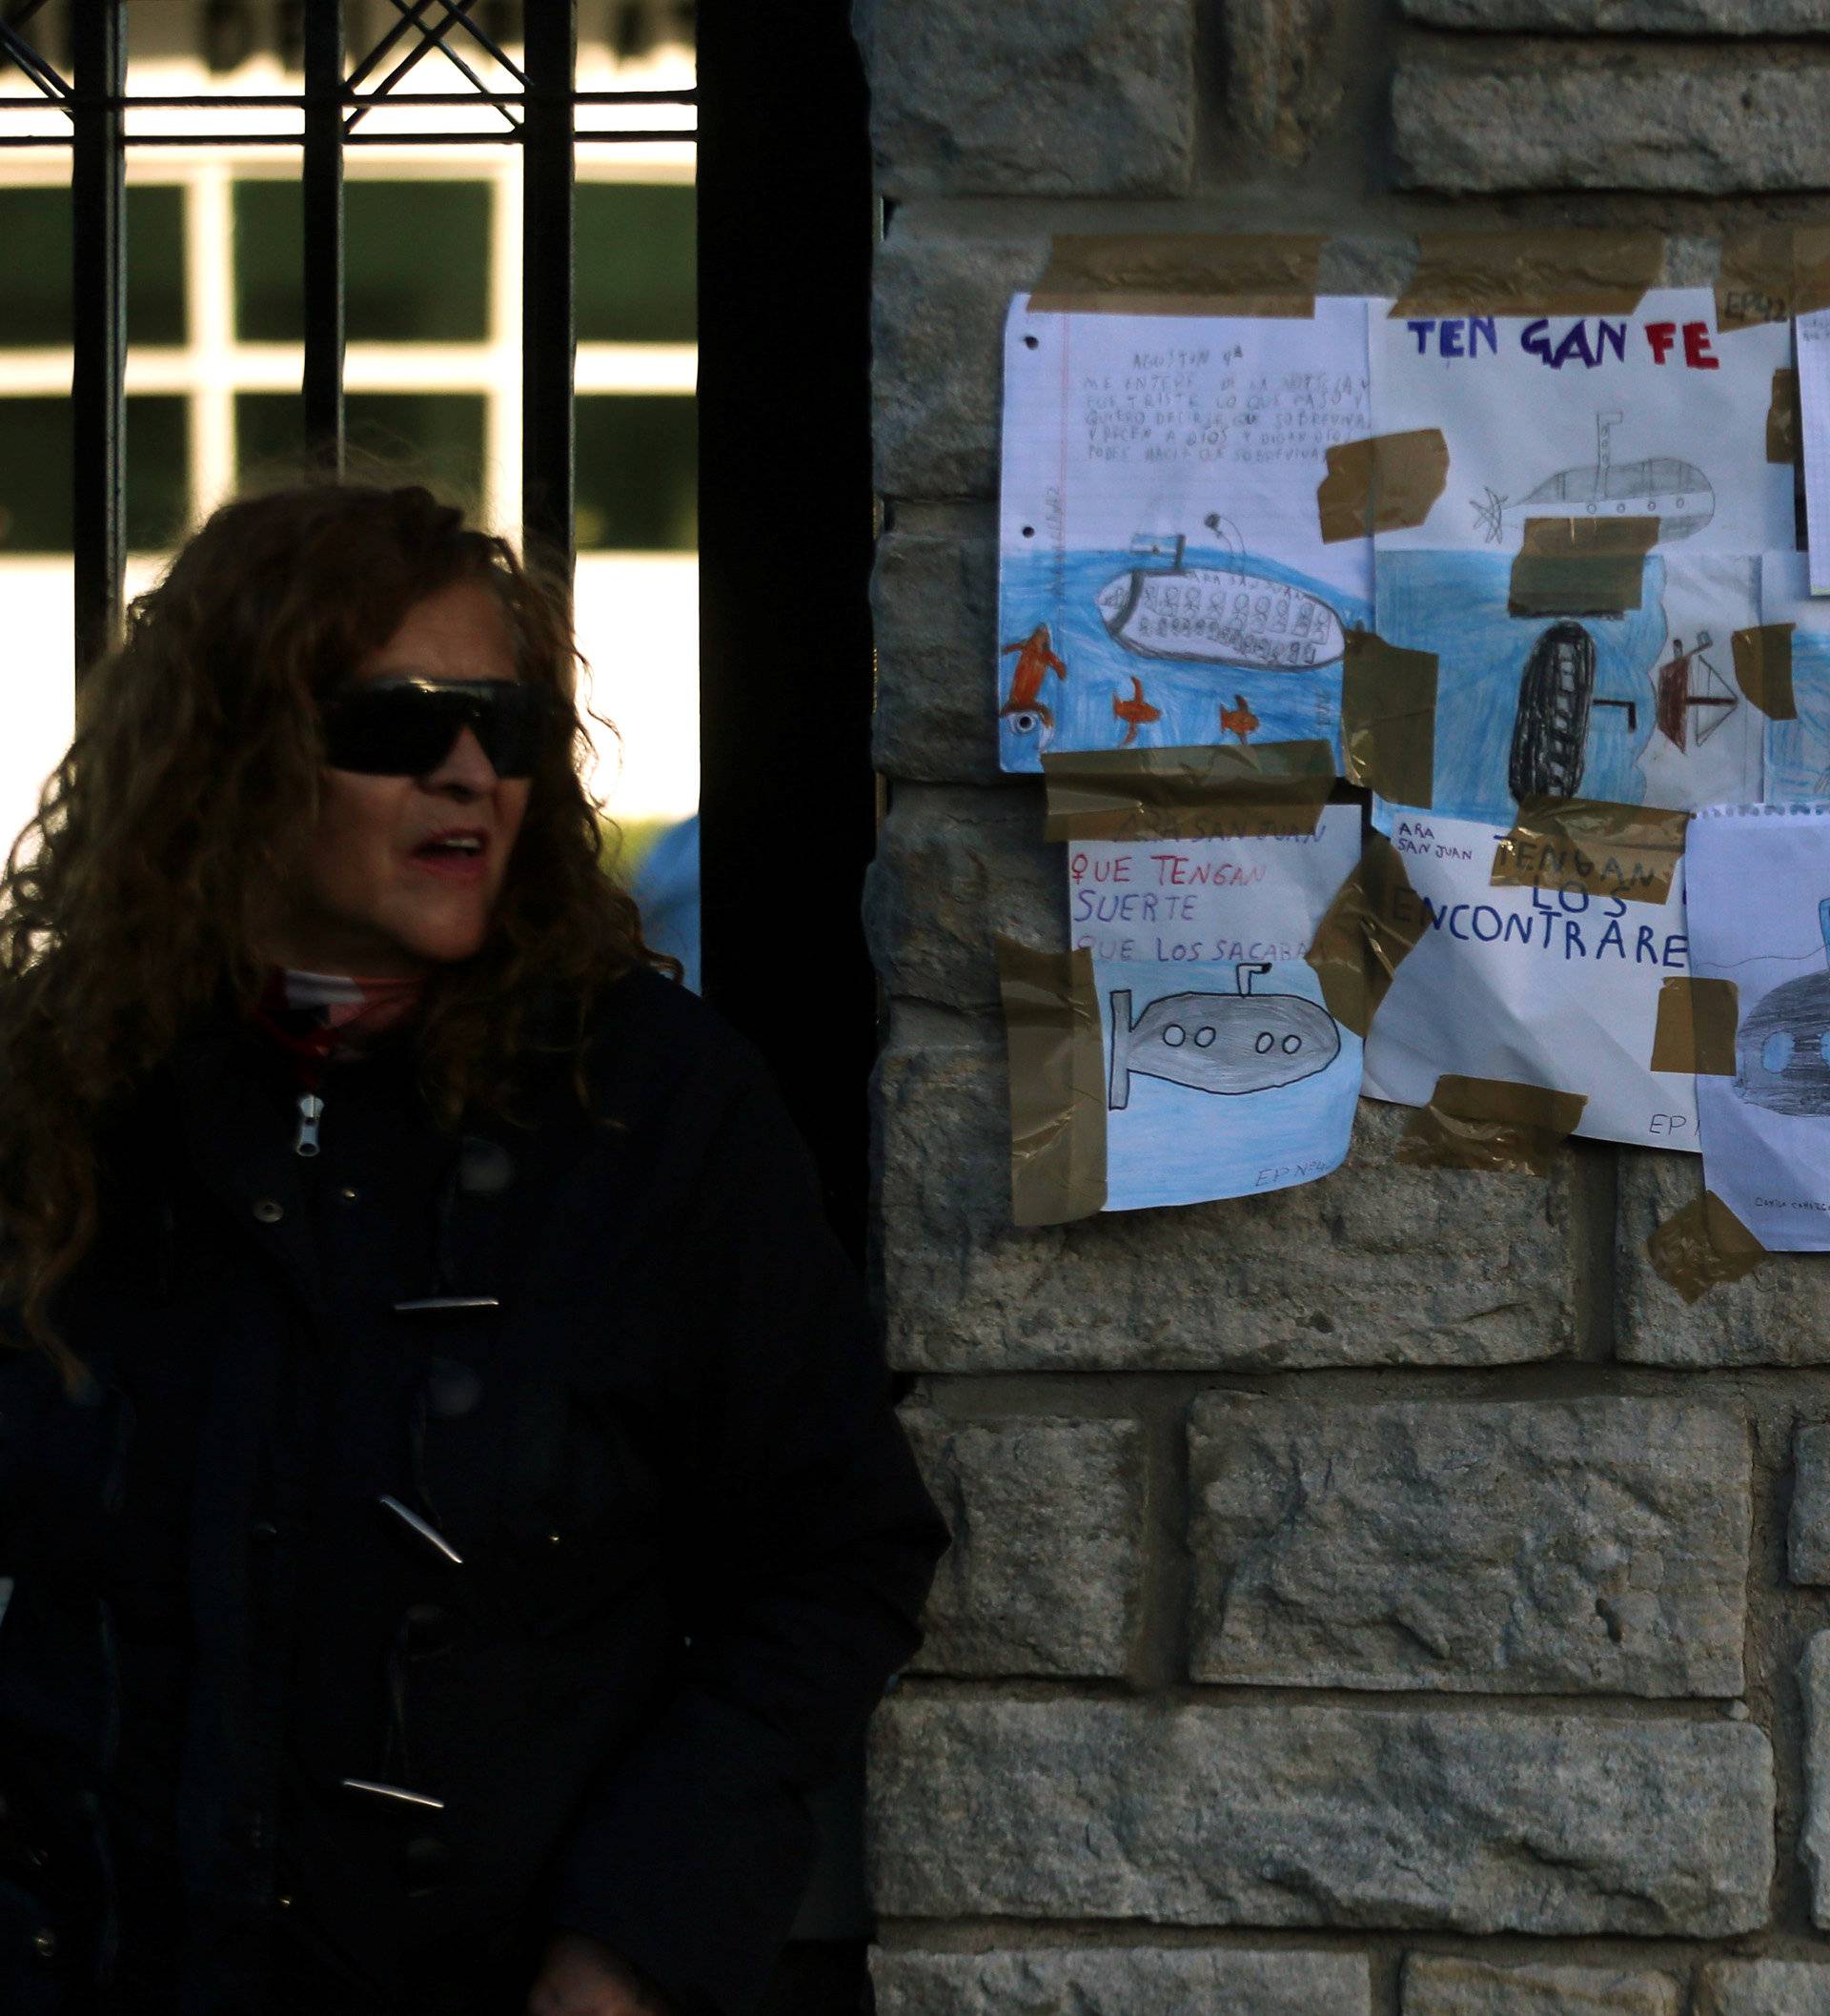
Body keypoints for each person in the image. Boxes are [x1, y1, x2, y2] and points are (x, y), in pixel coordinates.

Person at [0, 481, 946, 2016]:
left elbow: (833, 1557)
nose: (467, 773)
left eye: (505, 730)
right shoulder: (63, 1095)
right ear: (232, 755)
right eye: (396, 724)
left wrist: (627, 1948)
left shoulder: (649, 1111)